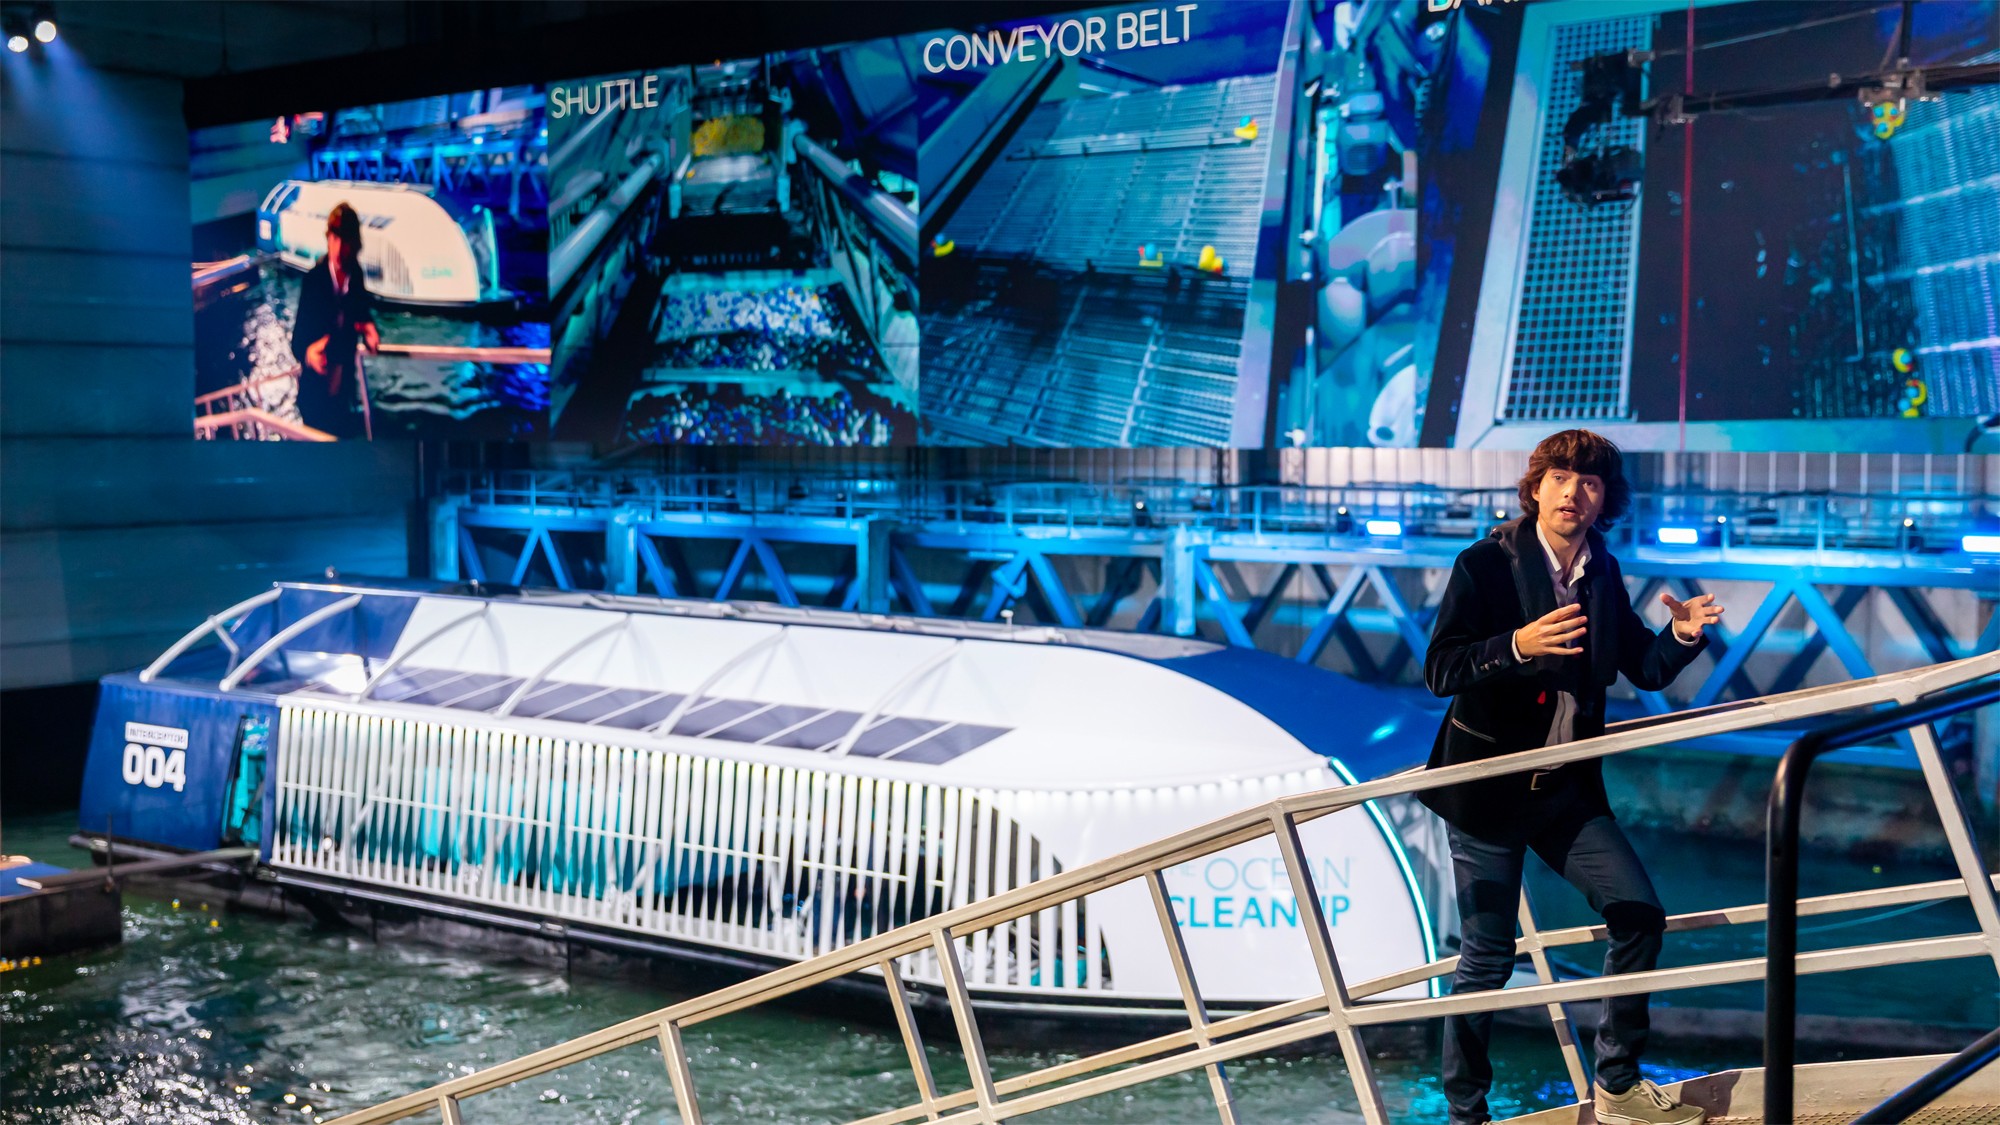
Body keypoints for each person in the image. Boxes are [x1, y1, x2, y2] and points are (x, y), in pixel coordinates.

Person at [1421, 429, 1725, 1125]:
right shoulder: (1485, 565)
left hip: (1564, 794)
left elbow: (1640, 668)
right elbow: (1441, 669)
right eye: (1560, 477)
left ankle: (1616, 1082)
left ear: (1603, 500)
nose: (1573, 492)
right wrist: (1516, 645)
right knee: (1486, 960)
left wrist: (1681, 637)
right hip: (1487, 792)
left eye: (1589, 483)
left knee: (1640, 915)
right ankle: (1466, 1112)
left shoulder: (1603, 572)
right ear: (1535, 487)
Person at [289, 201, 379, 438]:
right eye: (334, 238)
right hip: (316, 391)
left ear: (355, 244)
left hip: (343, 386)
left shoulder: (356, 274)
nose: (339, 248)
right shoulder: (313, 281)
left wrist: (368, 326)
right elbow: (298, 342)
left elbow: (359, 310)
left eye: (345, 240)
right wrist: (310, 353)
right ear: (328, 238)